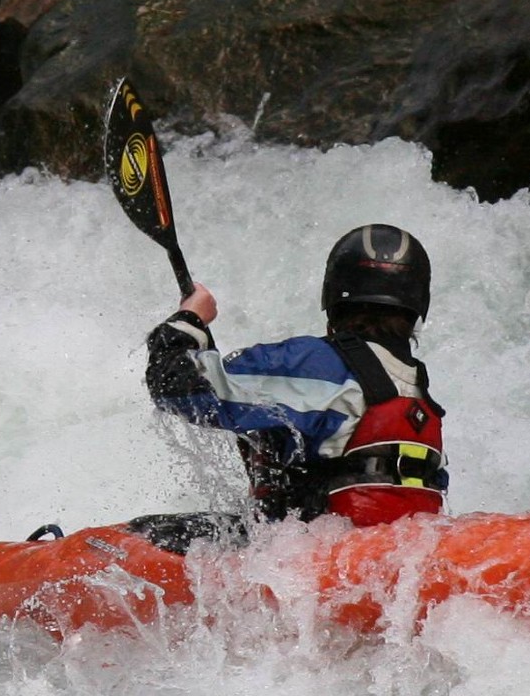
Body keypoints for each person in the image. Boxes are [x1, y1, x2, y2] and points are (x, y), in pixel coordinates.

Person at [143, 224, 447, 533]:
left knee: (146, 535)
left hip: (315, 558)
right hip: (388, 558)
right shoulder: (419, 394)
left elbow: (176, 387)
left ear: (334, 294)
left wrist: (189, 320)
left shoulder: (313, 365)